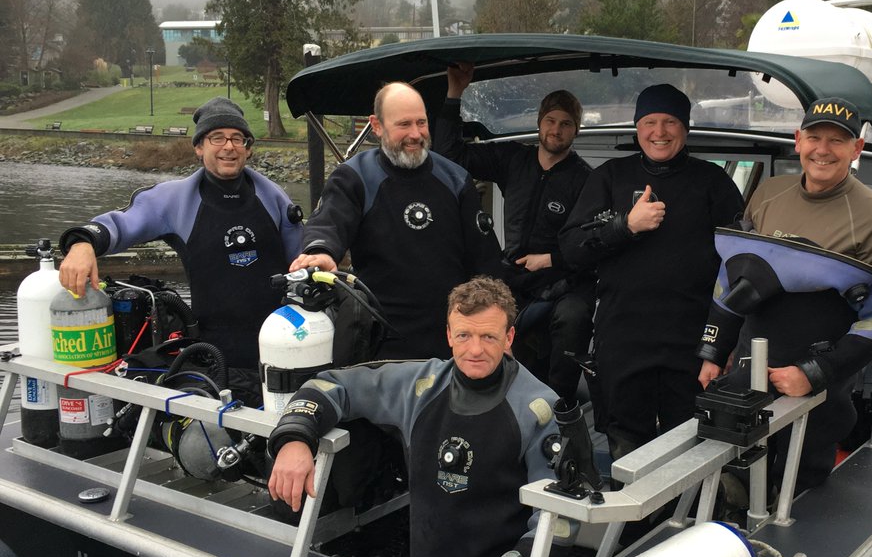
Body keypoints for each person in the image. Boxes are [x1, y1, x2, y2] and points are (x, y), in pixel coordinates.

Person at [267, 276, 572, 557]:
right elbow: (331, 387)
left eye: (489, 337)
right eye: (463, 335)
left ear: (510, 337)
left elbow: (559, 522)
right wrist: (296, 439)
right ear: (448, 334)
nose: (474, 349)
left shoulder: (538, 409)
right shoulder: (421, 386)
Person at [698, 97, 872, 490]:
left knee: (798, 489)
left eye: (837, 141)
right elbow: (732, 278)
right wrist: (713, 350)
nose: (822, 150)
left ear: (857, 149)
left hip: (819, 382)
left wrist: (813, 375)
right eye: (814, 137)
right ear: (797, 140)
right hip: (751, 363)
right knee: (734, 475)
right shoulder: (769, 193)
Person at [58, 98, 303, 383]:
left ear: (247, 149)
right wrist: (82, 243)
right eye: (217, 137)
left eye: (238, 138)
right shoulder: (175, 200)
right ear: (199, 147)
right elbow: (121, 224)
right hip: (214, 357)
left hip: (283, 347)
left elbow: (302, 261)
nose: (229, 146)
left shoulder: (272, 195)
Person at [559, 83, 743, 457]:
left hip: (690, 344)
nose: (659, 132)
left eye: (670, 121)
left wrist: (722, 346)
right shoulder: (610, 176)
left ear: (686, 128)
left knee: (691, 448)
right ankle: (633, 519)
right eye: (649, 121)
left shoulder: (713, 183)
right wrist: (623, 226)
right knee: (627, 448)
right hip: (624, 341)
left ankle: (687, 517)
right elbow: (570, 250)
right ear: (637, 127)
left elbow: (740, 268)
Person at [291, 81, 501, 359]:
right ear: (377, 126)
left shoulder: (455, 178)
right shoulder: (355, 177)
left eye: (421, 123)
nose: (415, 134)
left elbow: (484, 261)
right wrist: (320, 250)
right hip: (381, 340)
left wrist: (494, 326)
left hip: (451, 337)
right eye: (404, 124)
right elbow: (330, 220)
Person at [434, 62, 595, 403]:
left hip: (564, 280)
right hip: (514, 277)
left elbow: (593, 244)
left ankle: (559, 409)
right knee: (473, 306)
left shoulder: (586, 180)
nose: (556, 129)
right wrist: (454, 94)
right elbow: (449, 153)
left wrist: (551, 259)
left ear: (576, 131)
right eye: (550, 121)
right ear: (539, 124)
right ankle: (487, 400)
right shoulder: (513, 160)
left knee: (574, 317)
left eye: (566, 124)